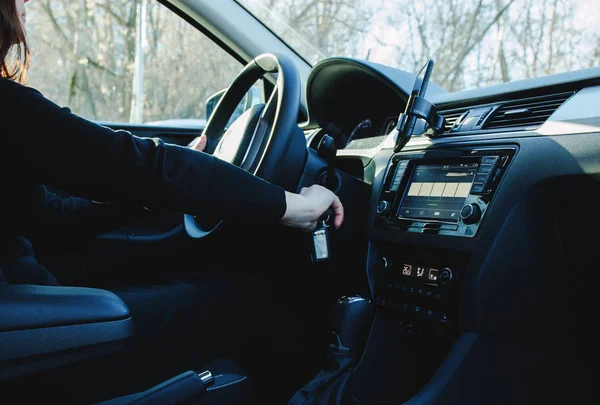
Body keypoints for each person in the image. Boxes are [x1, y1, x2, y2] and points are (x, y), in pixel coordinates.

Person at [0, 0, 344, 402]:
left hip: (26, 314)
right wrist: (290, 206)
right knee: (261, 299)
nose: (25, 5)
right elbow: (140, 166)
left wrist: (154, 194)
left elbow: (48, 218)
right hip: (29, 335)